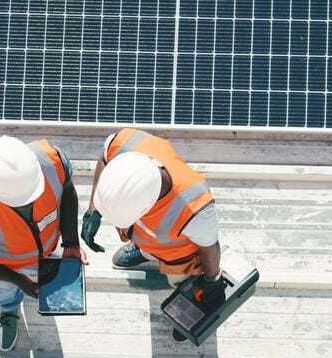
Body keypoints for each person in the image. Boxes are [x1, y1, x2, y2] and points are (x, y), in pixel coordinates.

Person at [81, 128, 225, 343]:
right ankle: (145, 251)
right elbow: (104, 158)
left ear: (147, 207)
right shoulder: (125, 143)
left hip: (179, 258)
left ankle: (189, 308)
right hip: (147, 239)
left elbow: (210, 247)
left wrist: (212, 280)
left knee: (181, 282)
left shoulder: (194, 208)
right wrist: (94, 211)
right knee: (149, 238)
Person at [0, 136, 86, 351]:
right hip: (4, 267)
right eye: (18, 202)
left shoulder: (53, 160)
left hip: (48, 249)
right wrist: (15, 279)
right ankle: (8, 310)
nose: (28, 204)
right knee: (4, 290)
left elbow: (66, 189)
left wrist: (71, 243)